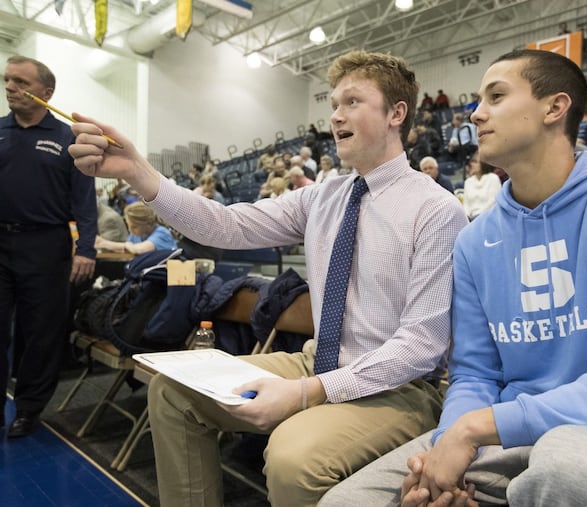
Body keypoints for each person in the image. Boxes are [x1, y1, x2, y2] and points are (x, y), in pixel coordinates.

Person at [69, 49, 468, 506]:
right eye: (334, 103)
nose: (336, 115)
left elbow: (421, 345)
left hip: (398, 388)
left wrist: (307, 391)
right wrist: (138, 172)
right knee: (175, 390)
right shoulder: (324, 196)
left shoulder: (436, 210)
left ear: (397, 113)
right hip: (319, 361)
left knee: (293, 459)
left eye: (352, 102)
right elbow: (223, 225)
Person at [319, 48, 587, 507]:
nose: (476, 114)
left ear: (554, 108)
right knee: (349, 501)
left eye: (496, 96)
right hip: (506, 434)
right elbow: (476, 373)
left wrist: (476, 428)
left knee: (566, 472)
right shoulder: (476, 240)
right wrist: (447, 452)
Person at [0, 55, 97, 437]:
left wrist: (86, 248)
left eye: (20, 82)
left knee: (41, 331)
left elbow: (84, 199)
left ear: (46, 92)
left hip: (46, 245)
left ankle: (29, 409)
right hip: (0, 243)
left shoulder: (68, 138)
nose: (10, 88)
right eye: (7, 80)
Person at [95, 201, 177, 254]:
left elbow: (139, 249)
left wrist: (105, 243)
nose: (130, 230)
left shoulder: (162, 233)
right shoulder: (137, 235)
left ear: (147, 224)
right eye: (129, 226)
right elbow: (127, 249)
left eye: (134, 227)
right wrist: (103, 244)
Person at [461, 151, 501, 220]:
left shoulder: (493, 178)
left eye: (475, 162)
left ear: (484, 164)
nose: (471, 164)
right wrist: (467, 217)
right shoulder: (468, 182)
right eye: (472, 162)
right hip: (471, 219)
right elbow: (466, 204)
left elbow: (493, 202)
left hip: (488, 217)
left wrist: (478, 216)